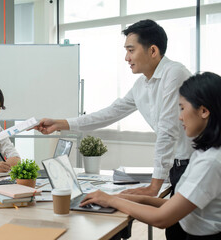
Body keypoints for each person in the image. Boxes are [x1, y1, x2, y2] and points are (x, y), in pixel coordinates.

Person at [34, 19, 194, 196]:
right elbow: (109, 114)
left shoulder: (174, 73)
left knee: (182, 222)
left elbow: (168, 129)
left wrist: (154, 186)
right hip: (177, 166)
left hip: (193, 165)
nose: (127, 58)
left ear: (153, 50)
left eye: (131, 50)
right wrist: (59, 124)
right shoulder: (141, 85)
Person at [80, 72, 221, 239]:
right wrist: (128, 198)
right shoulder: (205, 152)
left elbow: (162, 218)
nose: (180, 117)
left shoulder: (210, 163)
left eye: (182, 108)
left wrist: (111, 201)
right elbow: (174, 205)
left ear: (204, 111)